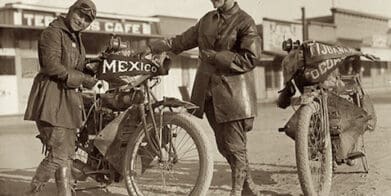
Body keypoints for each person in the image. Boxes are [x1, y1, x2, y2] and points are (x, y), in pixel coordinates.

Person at [144, 0, 262, 195]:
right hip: (207, 96)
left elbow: (251, 58)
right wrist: (151, 47)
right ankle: (249, 187)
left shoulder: (245, 21)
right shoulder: (207, 20)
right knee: (224, 147)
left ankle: (237, 191)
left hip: (233, 96)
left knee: (235, 147)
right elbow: (180, 41)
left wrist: (216, 57)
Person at [24, 0, 98, 195]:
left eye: (87, 20)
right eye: (80, 15)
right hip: (51, 99)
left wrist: (93, 68)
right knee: (58, 156)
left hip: (67, 102)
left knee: (66, 156)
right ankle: (31, 193)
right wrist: (87, 80)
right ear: (70, 11)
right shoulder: (53, 32)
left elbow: (75, 65)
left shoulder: (75, 37)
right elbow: (52, 66)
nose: (82, 21)